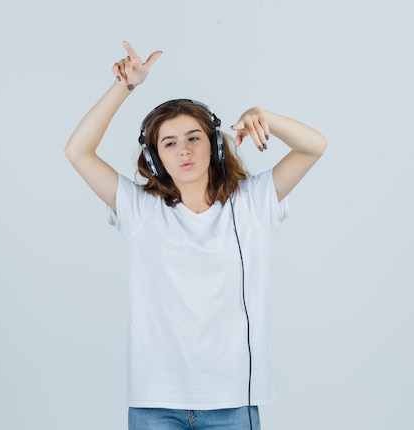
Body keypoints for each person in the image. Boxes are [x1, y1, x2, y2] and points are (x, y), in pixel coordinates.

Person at [64, 41, 327, 430]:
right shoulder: (140, 210)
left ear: (215, 145)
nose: (184, 151)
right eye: (169, 143)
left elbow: (314, 147)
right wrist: (126, 86)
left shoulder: (252, 203)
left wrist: (263, 115)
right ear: (155, 158)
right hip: (156, 402)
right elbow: (78, 152)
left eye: (194, 137)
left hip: (233, 402)